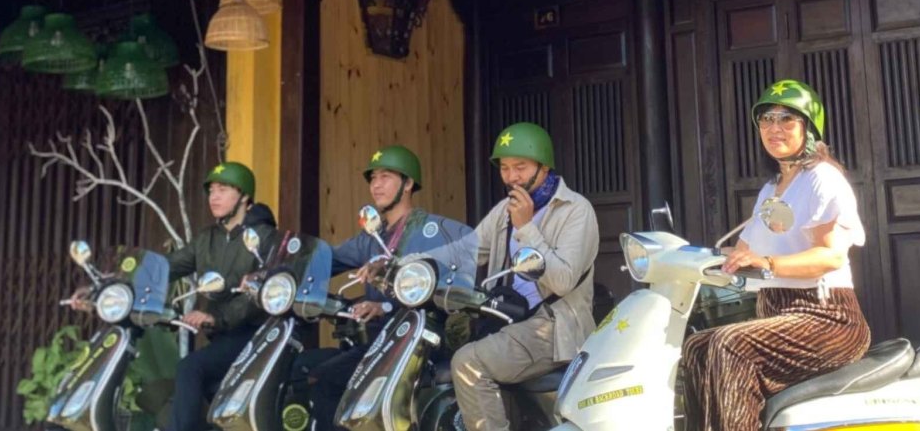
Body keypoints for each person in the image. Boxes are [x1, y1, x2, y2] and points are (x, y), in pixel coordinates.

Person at [680, 80, 870, 431]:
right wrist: (684, 254)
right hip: (779, 315)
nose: (774, 128)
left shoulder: (821, 179)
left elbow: (830, 257)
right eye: (766, 119)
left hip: (826, 319)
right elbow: (744, 251)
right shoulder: (771, 189)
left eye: (787, 119)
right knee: (696, 347)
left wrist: (768, 264)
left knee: (729, 345)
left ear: (808, 128)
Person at [451, 123, 598, 431]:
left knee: (469, 363)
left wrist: (526, 228)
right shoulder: (505, 209)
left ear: (543, 166)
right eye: (504, 168)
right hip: (506, 319)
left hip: (554, 327)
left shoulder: (576, 210)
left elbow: (563, 281)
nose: (511, 177)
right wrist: (416, 263)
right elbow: (465, 252)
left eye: (520, 167)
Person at [300, 144, 431, 431]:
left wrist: (383, 306)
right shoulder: (372, 236)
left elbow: (428, 294)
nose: (376, 185)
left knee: (328, 384)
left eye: (385, 177)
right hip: (377, 342)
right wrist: (286, 271)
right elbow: (331, 259)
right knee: (309, 373)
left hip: (411, 344)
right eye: (373, 178)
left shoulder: (426, 232)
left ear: (408, 183)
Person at [163, 161, 277, 431]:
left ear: (244, 196)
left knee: (190, 368)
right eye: (211, 190)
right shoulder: (207, 239)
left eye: (223, 190)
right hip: (220, 337)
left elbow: (257, 293)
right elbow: (170, 265)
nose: (214, 196)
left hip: (253, 335)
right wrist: (120, 281)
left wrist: (216, 317)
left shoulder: (264, 237)